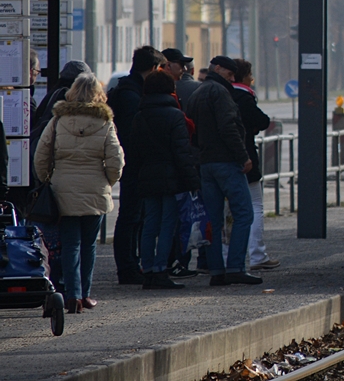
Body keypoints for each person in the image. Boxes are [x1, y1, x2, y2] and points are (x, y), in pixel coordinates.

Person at [34, 73, 124, 313]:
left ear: (73, 91)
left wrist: (48, 180)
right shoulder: (105, 122)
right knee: (89, 245)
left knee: (70, 244)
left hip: (63, 188)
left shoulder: (58, 120)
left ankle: (72, 295)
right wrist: (108, 181)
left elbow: (41, 155)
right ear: (98, 94)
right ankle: (85, 294)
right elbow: (116, 160)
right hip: (95, 189)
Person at [186, 56, 260, 286]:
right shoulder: (220, 93)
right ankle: (236, 267)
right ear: (218, 69)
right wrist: (243, 157)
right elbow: (228, 127)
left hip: (206, 164)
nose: (232, 78)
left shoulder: (197, 93)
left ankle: (217, 270)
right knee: (244, 213)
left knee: (213, 219)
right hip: (226, 163)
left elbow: (192, 131)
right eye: (229, 74)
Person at [131, 71, 199, 290]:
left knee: (150, 223)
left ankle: (148, 268)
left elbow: (134, 150)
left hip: (147, 175)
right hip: (170, 177)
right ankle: (161, 270)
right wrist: (191, 180)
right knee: (168, 225)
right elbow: (182, 152)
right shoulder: (175, 116)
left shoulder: (140, 116)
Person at [107, 46, 166, 285]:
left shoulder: (127, 88)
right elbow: (133, 134)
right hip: (134, 165)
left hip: (131, 164)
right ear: (152, 68)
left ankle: (130, 265)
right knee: (130, 216)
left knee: (134, 216)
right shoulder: (132, 95)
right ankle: (127, 267)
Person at [231, 59, 278, 271]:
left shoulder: (217, 93)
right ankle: (257, 255)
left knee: (225, 211)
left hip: (217, 161)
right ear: (243, 76)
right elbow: (262, 121)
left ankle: (222, 259)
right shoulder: (244, 97)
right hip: (245, 158)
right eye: (250, 74)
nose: (252, 78)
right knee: (254, 206)